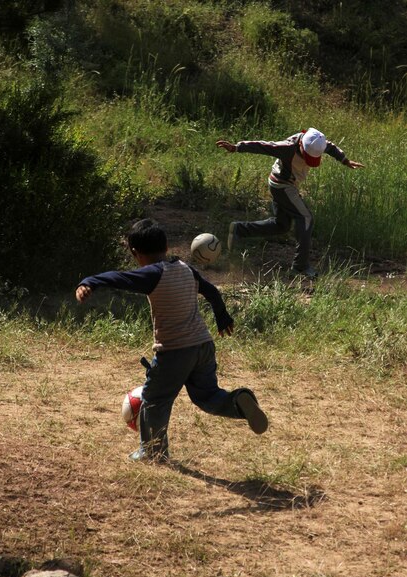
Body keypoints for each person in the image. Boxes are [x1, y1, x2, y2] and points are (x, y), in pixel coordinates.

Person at [75, 218, 268, 463]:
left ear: (135, 253)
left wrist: (89, 282)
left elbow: (119, 277)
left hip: (175, 351)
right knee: (207, 396)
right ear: (167, 247)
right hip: (203, 345)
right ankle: (239, 403)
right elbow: (212, 291)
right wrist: (222, 317)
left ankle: (152, 452)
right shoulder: (186, 269)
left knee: (155, 399)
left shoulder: (151, 275)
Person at [217, 128, 364, 278]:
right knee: (306, 218)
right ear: (302, 146)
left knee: (281, 225)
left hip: (284, 185)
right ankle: (300, 267)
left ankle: (239, 230)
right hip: (282, 185)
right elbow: (263, 146)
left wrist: (344, 160)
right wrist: (237, 147)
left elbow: (330, 146)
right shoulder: (287, 148)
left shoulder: (316, 141)